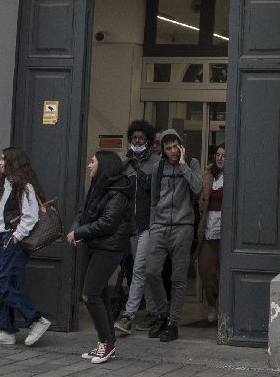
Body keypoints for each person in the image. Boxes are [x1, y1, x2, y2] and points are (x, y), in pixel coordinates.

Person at [67, 149, 132, 364]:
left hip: (109, 248)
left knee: (90, 294)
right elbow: (82, 211)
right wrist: (77, 229)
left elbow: (108, 223)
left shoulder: (118, 191)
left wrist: (79, 233)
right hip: (92, 245)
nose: (89, 165)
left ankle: (107, 343)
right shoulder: (97, 186)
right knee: (100, 294)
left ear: (103, 165)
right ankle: (106, 343)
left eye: (93, 162)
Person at [138, 128, 203, 342]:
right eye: (168, 148)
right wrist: (154, 226)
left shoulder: (191, 164)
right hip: (160, 225)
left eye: (176, 147)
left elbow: (197, 189)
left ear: (181, 145)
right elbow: (155, 199)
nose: (173, 151)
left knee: (178, 278)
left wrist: (183, 165)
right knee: (151, 272)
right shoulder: (159, 167)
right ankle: (163, 314)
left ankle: (172, 323)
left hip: (183, 227)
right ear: (163, 151)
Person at [0, 147, 53, 347]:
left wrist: (15, 237)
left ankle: (36, 320)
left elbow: (30, 217)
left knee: (4, 283)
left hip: (11, 238)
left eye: (3, 159)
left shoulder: (25, 186)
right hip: (0, 237)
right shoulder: (6, 183)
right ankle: (5, 330)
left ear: (13, 162)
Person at [112, 119, 160, 335]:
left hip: (149, 225)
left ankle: (128, 316)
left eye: (141, 138)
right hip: (131, 226)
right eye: (134, 138)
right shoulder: (126, 164)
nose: (137, 141)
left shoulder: (157, 163)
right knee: (141, 270)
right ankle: (153, 311)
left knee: (140, 268)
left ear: (149, 141)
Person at [196, 143, 226, 326]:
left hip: (226, 229)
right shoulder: (207, 175)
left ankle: (222, 307)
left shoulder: (233, 176)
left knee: (225, 270)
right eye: (218, 154)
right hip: (208, 227)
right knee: (206, 270)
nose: (220, 158)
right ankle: (212, 304)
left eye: (224, 155)